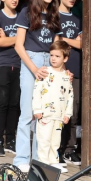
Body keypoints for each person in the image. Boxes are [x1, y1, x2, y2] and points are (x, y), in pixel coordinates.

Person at [14, 0, 61, 172]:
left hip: (48, 62)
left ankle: (38, 158)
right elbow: (18, 45)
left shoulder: (54, 15)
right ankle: (21, 159)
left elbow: (56, 45)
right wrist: (34, 69)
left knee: (43, 115)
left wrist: (57, 69)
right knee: (27, 113)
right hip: (31, 61)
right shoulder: (26, 12)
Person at [0, 0, 21, 157]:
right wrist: (18, 38)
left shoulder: (22, 17)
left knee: (14, 104)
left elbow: (22, 41)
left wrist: (8, 38)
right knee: (1, 103)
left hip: (18, 65)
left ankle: (11, 140)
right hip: (1, 65)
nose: (15, 0)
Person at [33, 41, 73, 173]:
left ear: (65, 58)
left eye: (57, 56)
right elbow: (36, 91)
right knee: (43, 140)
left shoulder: (67, 76)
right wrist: (37, 110)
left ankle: (53, 162)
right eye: (51, 55)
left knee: (55, 141)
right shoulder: (44, 72)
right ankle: (43, 164)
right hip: (45, 115)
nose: (53, 59)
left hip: (59, 116)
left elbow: (70, 95)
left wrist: (68, 113)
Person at [57, 0, 82, 166]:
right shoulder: (54, 17)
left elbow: (81, 44)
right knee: (58, 111)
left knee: (73, 112)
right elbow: (55, 43)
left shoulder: (76, 19)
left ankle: (70, 149)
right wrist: (65, 40)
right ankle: (57, 148)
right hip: (60, 71)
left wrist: (65, 38)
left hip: (77, 70)